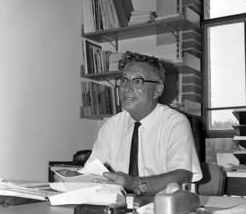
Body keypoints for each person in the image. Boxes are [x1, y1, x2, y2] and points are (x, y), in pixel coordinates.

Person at [82, 51, 202, 195]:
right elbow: (93, 173)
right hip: (118, 206)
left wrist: (134, 184)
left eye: (137, 81)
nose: (127, 88)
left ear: (157, 90)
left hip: (161, 206)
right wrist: (72, 178)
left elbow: (182, 175)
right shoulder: (111, 126)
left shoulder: (175, 123)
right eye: (124, 80)